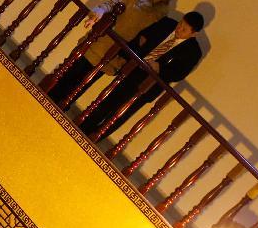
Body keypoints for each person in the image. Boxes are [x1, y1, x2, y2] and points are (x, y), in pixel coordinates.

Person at [44, 0, 180, 104]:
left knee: (83, 84)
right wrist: (99, 12)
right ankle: (45, 96)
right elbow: (111, 3)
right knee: (70, 72)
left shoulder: (161, 14)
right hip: (101, 41)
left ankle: (58, 108)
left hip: (117, 54)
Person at [78, 11, 205, 140]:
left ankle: (96, 137)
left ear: (194, 34)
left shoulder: (193, 52)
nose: (179, 29)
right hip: (132, 70)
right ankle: (83, 126)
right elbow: (142, 36)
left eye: (184, 29)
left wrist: (160, 68)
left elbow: (179, 74)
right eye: (180, 24)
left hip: (148, 85)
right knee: (107, 101)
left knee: (121, 114)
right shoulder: (167, 23)